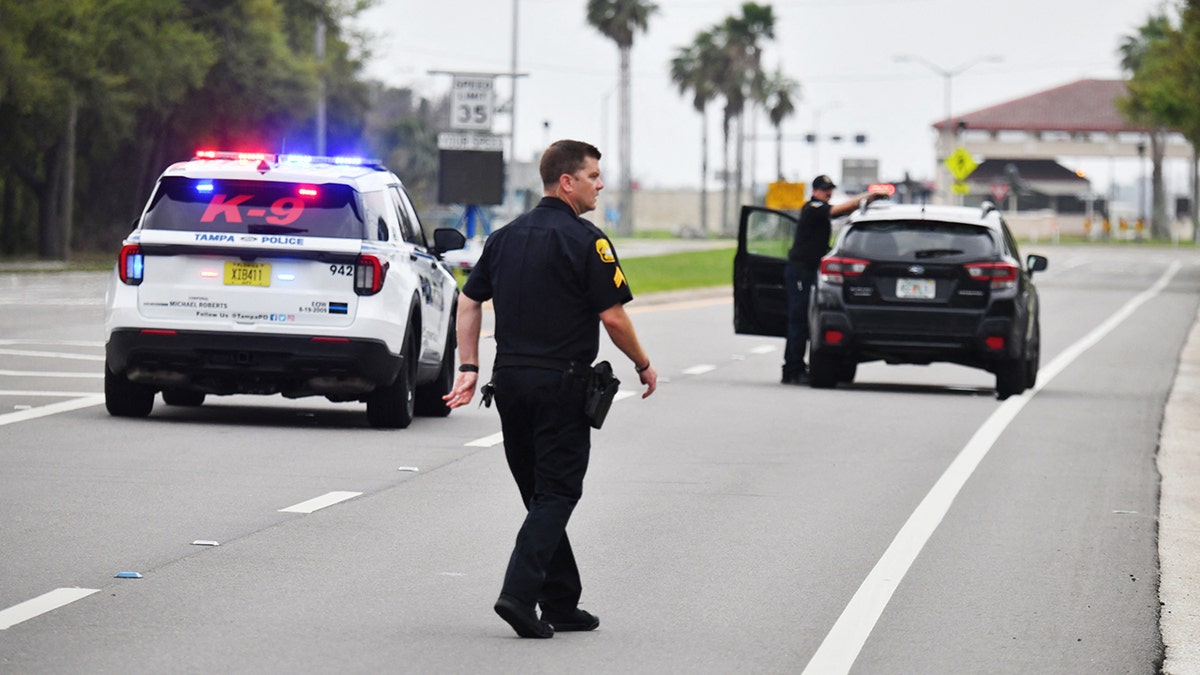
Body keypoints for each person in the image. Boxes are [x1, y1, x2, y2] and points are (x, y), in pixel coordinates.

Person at [443, 139, 658, 639]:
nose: (600, 185)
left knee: (541, 495)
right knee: (558, 492)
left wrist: (469, 365)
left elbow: (469, 302)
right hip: (561, 385)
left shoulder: (503, 238)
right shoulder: (588, 241)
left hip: (509, 384)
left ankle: (561, 601)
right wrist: (643, 363)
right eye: (593, 176)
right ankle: (519, 596)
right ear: (567, 182)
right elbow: (613, 317)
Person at [782, 175, 888, 384]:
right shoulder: (813, 208)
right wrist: (869, 197)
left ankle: (796, 366)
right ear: (815, 191)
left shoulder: (821, 210)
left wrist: (866, 199)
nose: (828, 192)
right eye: (824, 189)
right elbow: (840, 210)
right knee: (799, 319)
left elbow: (842, 210)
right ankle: (792, 369)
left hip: (810, 271)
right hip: (800, 272)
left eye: (830, 189)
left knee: (806, 319)